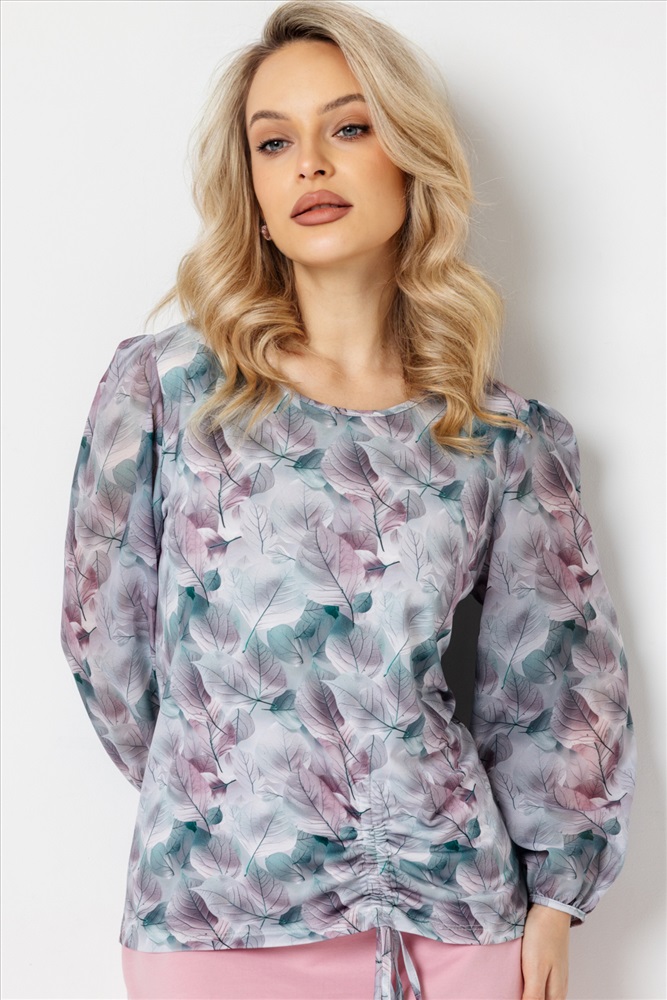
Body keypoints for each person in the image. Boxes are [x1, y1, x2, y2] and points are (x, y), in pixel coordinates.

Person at [59, 3, 637, 999]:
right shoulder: (164, 392)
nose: (310, 165)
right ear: (251, 184)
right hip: (213, 920)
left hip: (448, 920)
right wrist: (228, 792)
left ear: (408, 157)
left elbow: (555, 685)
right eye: (274, 142)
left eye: (349, 127)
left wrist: (553, 902)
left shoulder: (498, 434)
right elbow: (104, 650)